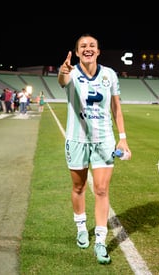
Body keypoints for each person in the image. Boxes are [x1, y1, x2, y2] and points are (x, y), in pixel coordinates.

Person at [57, 34, 131, 265]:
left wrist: (123, 139)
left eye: (92, 46)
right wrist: (62, 70)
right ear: (77, 52)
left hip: (104, 141)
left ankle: (100, 241)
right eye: (83, 46)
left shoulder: (110, 74)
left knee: (101, 190)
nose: (88, 49)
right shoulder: (70, 72)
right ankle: (81, 227)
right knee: (78, 186)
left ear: (98, 51)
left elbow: (116, 108)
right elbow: (62, 81)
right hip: (77, 140)